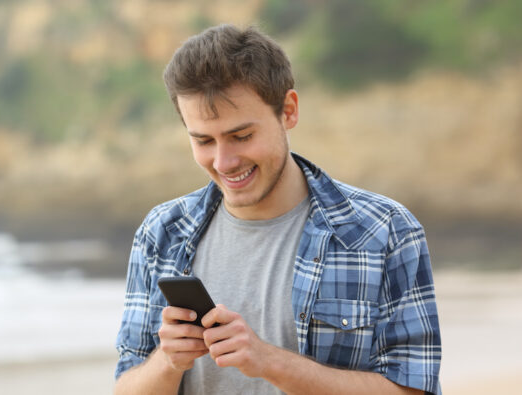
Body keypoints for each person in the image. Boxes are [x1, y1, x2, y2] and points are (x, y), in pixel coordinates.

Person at [113, 24, 441, 395]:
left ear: (288, 111)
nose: (224, 161)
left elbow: (414, 389)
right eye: (204, 140)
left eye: (241, 136)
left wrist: (270, 362)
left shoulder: (386, 230)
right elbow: (126, 387)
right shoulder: (162, 232)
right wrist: (168, 361)